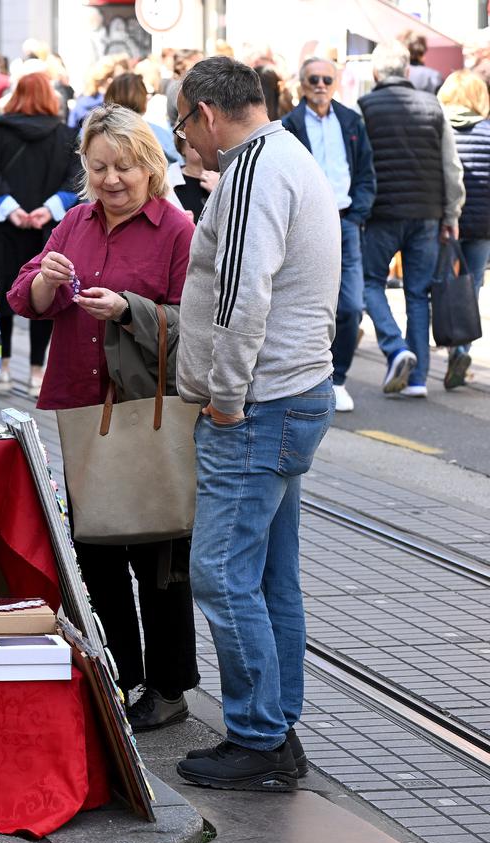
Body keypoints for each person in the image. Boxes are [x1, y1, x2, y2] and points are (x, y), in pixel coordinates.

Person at [171, 56, 339, 791]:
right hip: (295, 390)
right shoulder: (289, 154)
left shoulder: (249, 174)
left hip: (259, 402)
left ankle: (259, 734)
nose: (186, 139)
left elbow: (241, 298)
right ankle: (278, 724)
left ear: (208, 113)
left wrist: (226, 398)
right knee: (272, 574)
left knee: (220, 572)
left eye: (184, 123)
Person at [7, 103, 198, 733]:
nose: (111, 180)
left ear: (149, 167)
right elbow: (28, 298)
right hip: (85, 413)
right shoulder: (75, 223)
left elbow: (193, 325)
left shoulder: (176, 229)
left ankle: (169, 688)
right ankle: (122, 672)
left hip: (146, 413)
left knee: (158, 556)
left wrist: (127, 310)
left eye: (123, 167)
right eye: (98, 168)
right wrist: (44, 281)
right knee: (96, 551)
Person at [358, 41, 464, 400]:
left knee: (368, 282)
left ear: (376, 73)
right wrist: (452, 213)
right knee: (418, 294)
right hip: (427, 214)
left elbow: (361, 164)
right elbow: (451, 166)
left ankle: (394, 346)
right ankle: (418, 380)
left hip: (382, 214)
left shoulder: (365, 108)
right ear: (406, 71)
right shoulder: (433, 105)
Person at [0, 72, 83, 395]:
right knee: (45, 294)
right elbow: (75, 178)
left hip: (5, 229)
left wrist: (10, 207)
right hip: (47, 231)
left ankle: (4, 367)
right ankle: (38, 372)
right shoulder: (66, 134)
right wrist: (49, 209)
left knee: (2, 294)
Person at [282, 57, 377, 413]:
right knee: (306, 303)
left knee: (350, 306)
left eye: (326, 79)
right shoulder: (288, 126)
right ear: (302, 84)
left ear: (335, 83)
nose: (320, 85)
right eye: (313, 79)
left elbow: (366, 172)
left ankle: (339, 378)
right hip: (304, 224)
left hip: (345, 221)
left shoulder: (351, 121)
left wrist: (357, 214)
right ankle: (307, 380)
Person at [438, 69, 490, 390]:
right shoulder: (488, 132)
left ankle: (446, 343)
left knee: (442, 284)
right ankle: (461, 350)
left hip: (445, 220)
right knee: (472, 287)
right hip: (483, 224)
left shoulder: (439, 128)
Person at [173, 138, 217, 223]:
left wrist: (219, 189)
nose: (203, 144)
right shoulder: (170, 182)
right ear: (182, 148)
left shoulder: (227, 175)